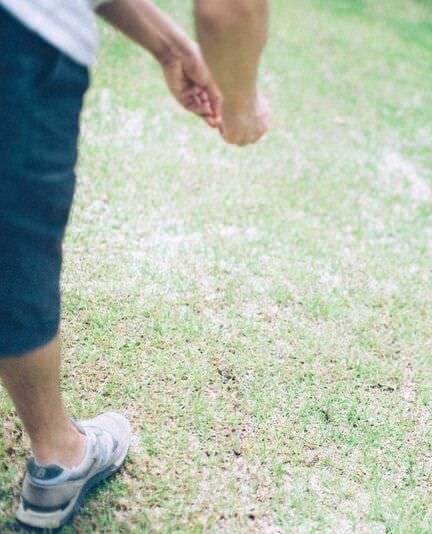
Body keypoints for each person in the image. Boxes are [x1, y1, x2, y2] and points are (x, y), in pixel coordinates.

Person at [0, 0, 269, 528]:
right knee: (16, 254)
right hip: (20, 45)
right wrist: (240, 105)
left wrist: (170, 47)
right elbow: (230, 8)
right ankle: (59, 457)